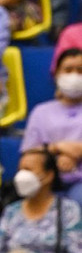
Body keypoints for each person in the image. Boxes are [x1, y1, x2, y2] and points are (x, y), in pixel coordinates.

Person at [22, 48, 82, 206]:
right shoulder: (40, 112)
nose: (74, 76)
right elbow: (29, 153)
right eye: (68, 70)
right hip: (45, 180)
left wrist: (76, 152)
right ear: (56, 75)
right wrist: (56, 149)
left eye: (80, 70)